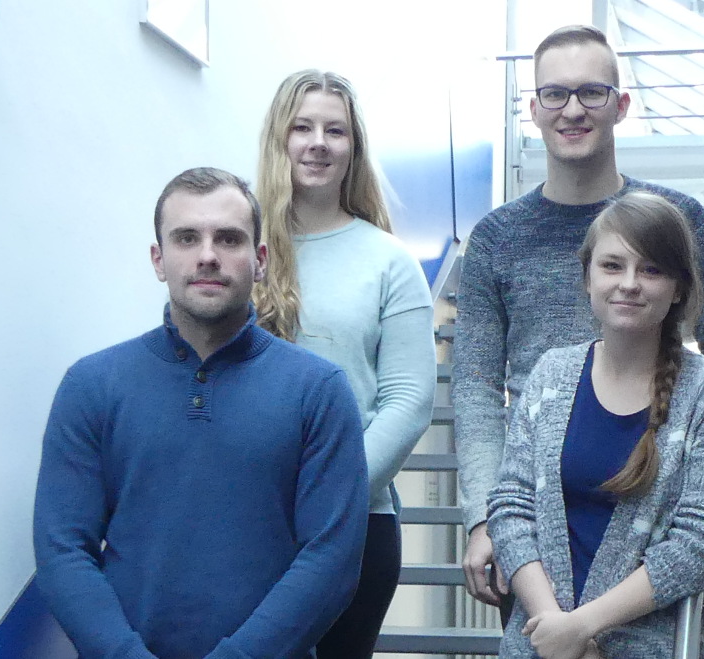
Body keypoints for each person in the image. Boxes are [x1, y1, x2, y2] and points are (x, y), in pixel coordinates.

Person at [453, 24, 704, 606]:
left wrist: (685, 452)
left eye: (592, 92)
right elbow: (476, 385)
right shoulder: (496, 237)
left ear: (621, 105)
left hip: (654, 512)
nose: (573, 110)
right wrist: (486, 516)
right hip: (536, 523)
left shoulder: (676, 219)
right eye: (554, 94)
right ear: (534, 110)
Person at [33, 167, 369, 659]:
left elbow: (332, 559)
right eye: (186, 238)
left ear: (259, 260)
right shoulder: (92, 385)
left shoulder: (319, 391)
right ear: (159, 259)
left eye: (228, 239)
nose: (208, 255)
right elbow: (62, 549)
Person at [486, 191, 704, 658]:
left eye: (650, 270)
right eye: (612, 266)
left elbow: (701, 543)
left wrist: (583, 627)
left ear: (678, 288)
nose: (629, 284)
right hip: (539, 644)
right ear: (587, 278)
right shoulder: (552, 374)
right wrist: (556, 629)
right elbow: (511, 505)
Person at [253, 70, 436, 658]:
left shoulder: (389, 260)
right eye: (302, 127)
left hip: (354, 527)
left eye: (335, 130)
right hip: (245, 524)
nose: (318, 143)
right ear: (279, 138)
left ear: (354, 147)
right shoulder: (238, 249)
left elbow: (408, 402)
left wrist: (330, 499)